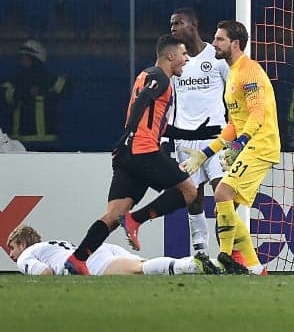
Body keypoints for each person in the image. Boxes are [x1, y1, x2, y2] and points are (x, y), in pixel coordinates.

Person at [64, 35, 200, 275]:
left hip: (126, 154)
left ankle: (77, 259)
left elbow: (155, 121)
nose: (186, 58)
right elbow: (144, 103)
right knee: (190, 192)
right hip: (143, 150)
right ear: (170, 56)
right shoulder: (160, 77)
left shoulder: (145, 74)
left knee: (113, 215)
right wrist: (131, 131)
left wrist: (198, 131)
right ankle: (136, 219)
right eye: (183, 54)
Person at [181, 20, 280, 276]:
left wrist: (241, 144)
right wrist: (206, 153)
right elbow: (234, 124)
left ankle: (224, 255)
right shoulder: (233, 72)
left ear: (234, 43)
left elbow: (257, 113)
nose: (214, 43)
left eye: (220, 39)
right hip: (251, 143)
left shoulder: (249, 71)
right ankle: (256, 268)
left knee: (223, 193)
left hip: (261, 144)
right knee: (225, 207)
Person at [166, 7, 228, 255]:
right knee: (193, 198)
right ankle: (201, 252)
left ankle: (226, 253)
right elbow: (167, 102)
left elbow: (233, 95)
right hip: (184, 140)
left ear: (193, 25)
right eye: (171, 24)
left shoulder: (216, 56)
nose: (173, 28)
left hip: (216, 139)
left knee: (223, 194)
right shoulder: (174, 60)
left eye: (178, 23)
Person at [7, 224, 220, 276]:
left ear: (23, 244)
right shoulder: (51, 244)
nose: (11, 254)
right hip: (100, 249)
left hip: (90, 262)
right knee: (146, 268)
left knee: (140, 269)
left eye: (13, 247)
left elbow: (45, 273)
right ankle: (215, 264)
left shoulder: (26, 255)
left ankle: (193, 264)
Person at [1, 39, 66, 149]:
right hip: (22, 141)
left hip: (48, 140)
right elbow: (5, 95)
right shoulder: (16, 81)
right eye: (21, 57)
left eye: (26, 57)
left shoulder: (51, 79)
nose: (23, 60)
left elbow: (65, 89)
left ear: (36, 59)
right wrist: (26, 92)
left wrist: (45, 89)